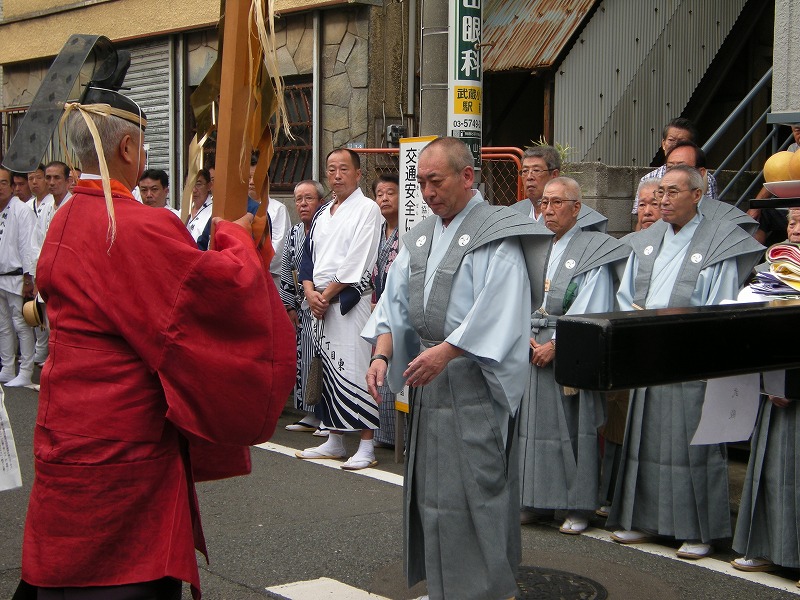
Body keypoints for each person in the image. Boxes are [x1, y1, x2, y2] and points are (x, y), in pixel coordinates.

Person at [14, 84, 295, 600]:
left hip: (66, 421)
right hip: (123, 433)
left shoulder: (65, 216)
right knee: (125, 571)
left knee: (64, 560)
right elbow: (210, 295)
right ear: (128, 148)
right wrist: (236, 238)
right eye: (142, 146)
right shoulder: (132, 225)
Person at [363, 137, 552, 600]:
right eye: (421, 183)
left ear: (467, 177)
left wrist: (447, 352)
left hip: (474, 383)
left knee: (476, 487)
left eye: (436, 181)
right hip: (429, 383)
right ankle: (445, 585)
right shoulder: (422, 236)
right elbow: (394, 304)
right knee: (432, 490)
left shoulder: (497, 233)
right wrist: (382, 353)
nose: (428, 193)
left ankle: (484, 589)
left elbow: (500, 311)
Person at [608, 165, 763, 559]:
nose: (663, 200)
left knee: (692, 444)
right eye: (660, 192)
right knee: (646, 442)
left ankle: (697, 530)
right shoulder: (646, 240)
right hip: (649, 351)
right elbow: (626, 298)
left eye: (673, 192)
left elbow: (719, 303)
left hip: (690, 355)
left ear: (697, 196)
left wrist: (686, 339)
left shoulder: (717, 241)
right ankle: (645, 520)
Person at [518, 177, 629, 534]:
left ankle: (577, 506)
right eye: (544, 203)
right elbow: (517, 293)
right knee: (532, 429)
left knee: (573, 427)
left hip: (570, 346)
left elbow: (593, 304)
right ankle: (535, 500)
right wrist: (522, 332)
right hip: (531, 344)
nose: (548, 210)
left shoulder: (594, 249)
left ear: (577, 208)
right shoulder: (534, 244)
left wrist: (557, 344)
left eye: (557, 203)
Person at [295, 148, 383, 470]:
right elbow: (307, 257)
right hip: (319, 302)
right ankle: (334, 439)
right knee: (330, 371)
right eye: (331, 169)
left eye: (343, 169)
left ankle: (366, 445)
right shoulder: (322, 213)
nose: (336, 175)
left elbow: (357, 261)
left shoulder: (368, 209)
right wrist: (310, 292)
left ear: (358, 173)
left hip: (348, 301)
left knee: (357, 368)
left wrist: (326, 295)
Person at [730, 212, 800, 580]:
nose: (795, 229)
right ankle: (771, 548)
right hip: (777, 386)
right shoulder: (775, 266)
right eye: (792, 222)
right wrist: (769, 377)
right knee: (773, 473)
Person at [280, 180, 327, 435]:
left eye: (308, 198)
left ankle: (329, 415)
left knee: (329, 359)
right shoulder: (294, 233)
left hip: (328, 303)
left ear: (321, 201)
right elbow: (287, 269)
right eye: (298, 199)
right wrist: (289, 306)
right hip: (303, 306)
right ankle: (311, 413)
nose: (303, 204)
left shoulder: (329, 227)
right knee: (307, 357)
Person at [633, 117, 719, 223]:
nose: (675, 145)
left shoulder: (706, 179)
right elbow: (640, 220)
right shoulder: (647, 179)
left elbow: (711, 216)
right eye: (671, 140)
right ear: (663, 144)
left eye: (682, 141)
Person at [660, 141, 757, 234]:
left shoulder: (730, 220)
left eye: (682, 167)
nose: (674, 173)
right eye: (670, 167)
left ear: (701, 172)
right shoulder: (659, 219)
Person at [29, 161, 73, 367]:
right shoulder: (46, 208)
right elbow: (36, 244)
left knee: (66, 327)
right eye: (48, 178)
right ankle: (53, 366)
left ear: (68, 181)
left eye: (57, 178)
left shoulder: (73, 206)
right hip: (47, 275)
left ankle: (65, 367)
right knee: (48, 325)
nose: (52, 182)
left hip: (66, 277)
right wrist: (36, 277)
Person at [513, 145, 608, 232]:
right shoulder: (515, 212)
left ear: (554, 175)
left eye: (536, 170)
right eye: (525, 171)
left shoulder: (582, 219)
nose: (529, 177)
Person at [371, 173, 400, 448]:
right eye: (379, 194)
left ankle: (398, 435)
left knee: (395, 369)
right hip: (377, 306)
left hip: (398, 307)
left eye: (390, 192)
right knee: (379, 366)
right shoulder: (377, 231)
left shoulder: (408, 230)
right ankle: (383, 433)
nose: (384, 198)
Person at [0, 167, 36, 386]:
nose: (0, 187)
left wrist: (28, 278)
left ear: (13, 187)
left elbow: (27, 246)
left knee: (21, 324)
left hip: (17, 277)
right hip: (1, 276)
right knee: (3, 325)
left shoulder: (21, 210)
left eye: (4, 182)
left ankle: (25, 371)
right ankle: (7, 367)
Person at [248, 159, 291, 290]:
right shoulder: (237, 210)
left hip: (268, 277)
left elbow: (278, 248)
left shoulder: (277, 209)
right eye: (248, 177)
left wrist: (253, 267)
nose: (251, 182)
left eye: (256, 177)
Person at [185, 168, 212, 246]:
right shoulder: (183, 211)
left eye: (198, 184)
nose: (194, 190)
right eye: (190, 185)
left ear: (209, 186)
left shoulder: (213, 211)